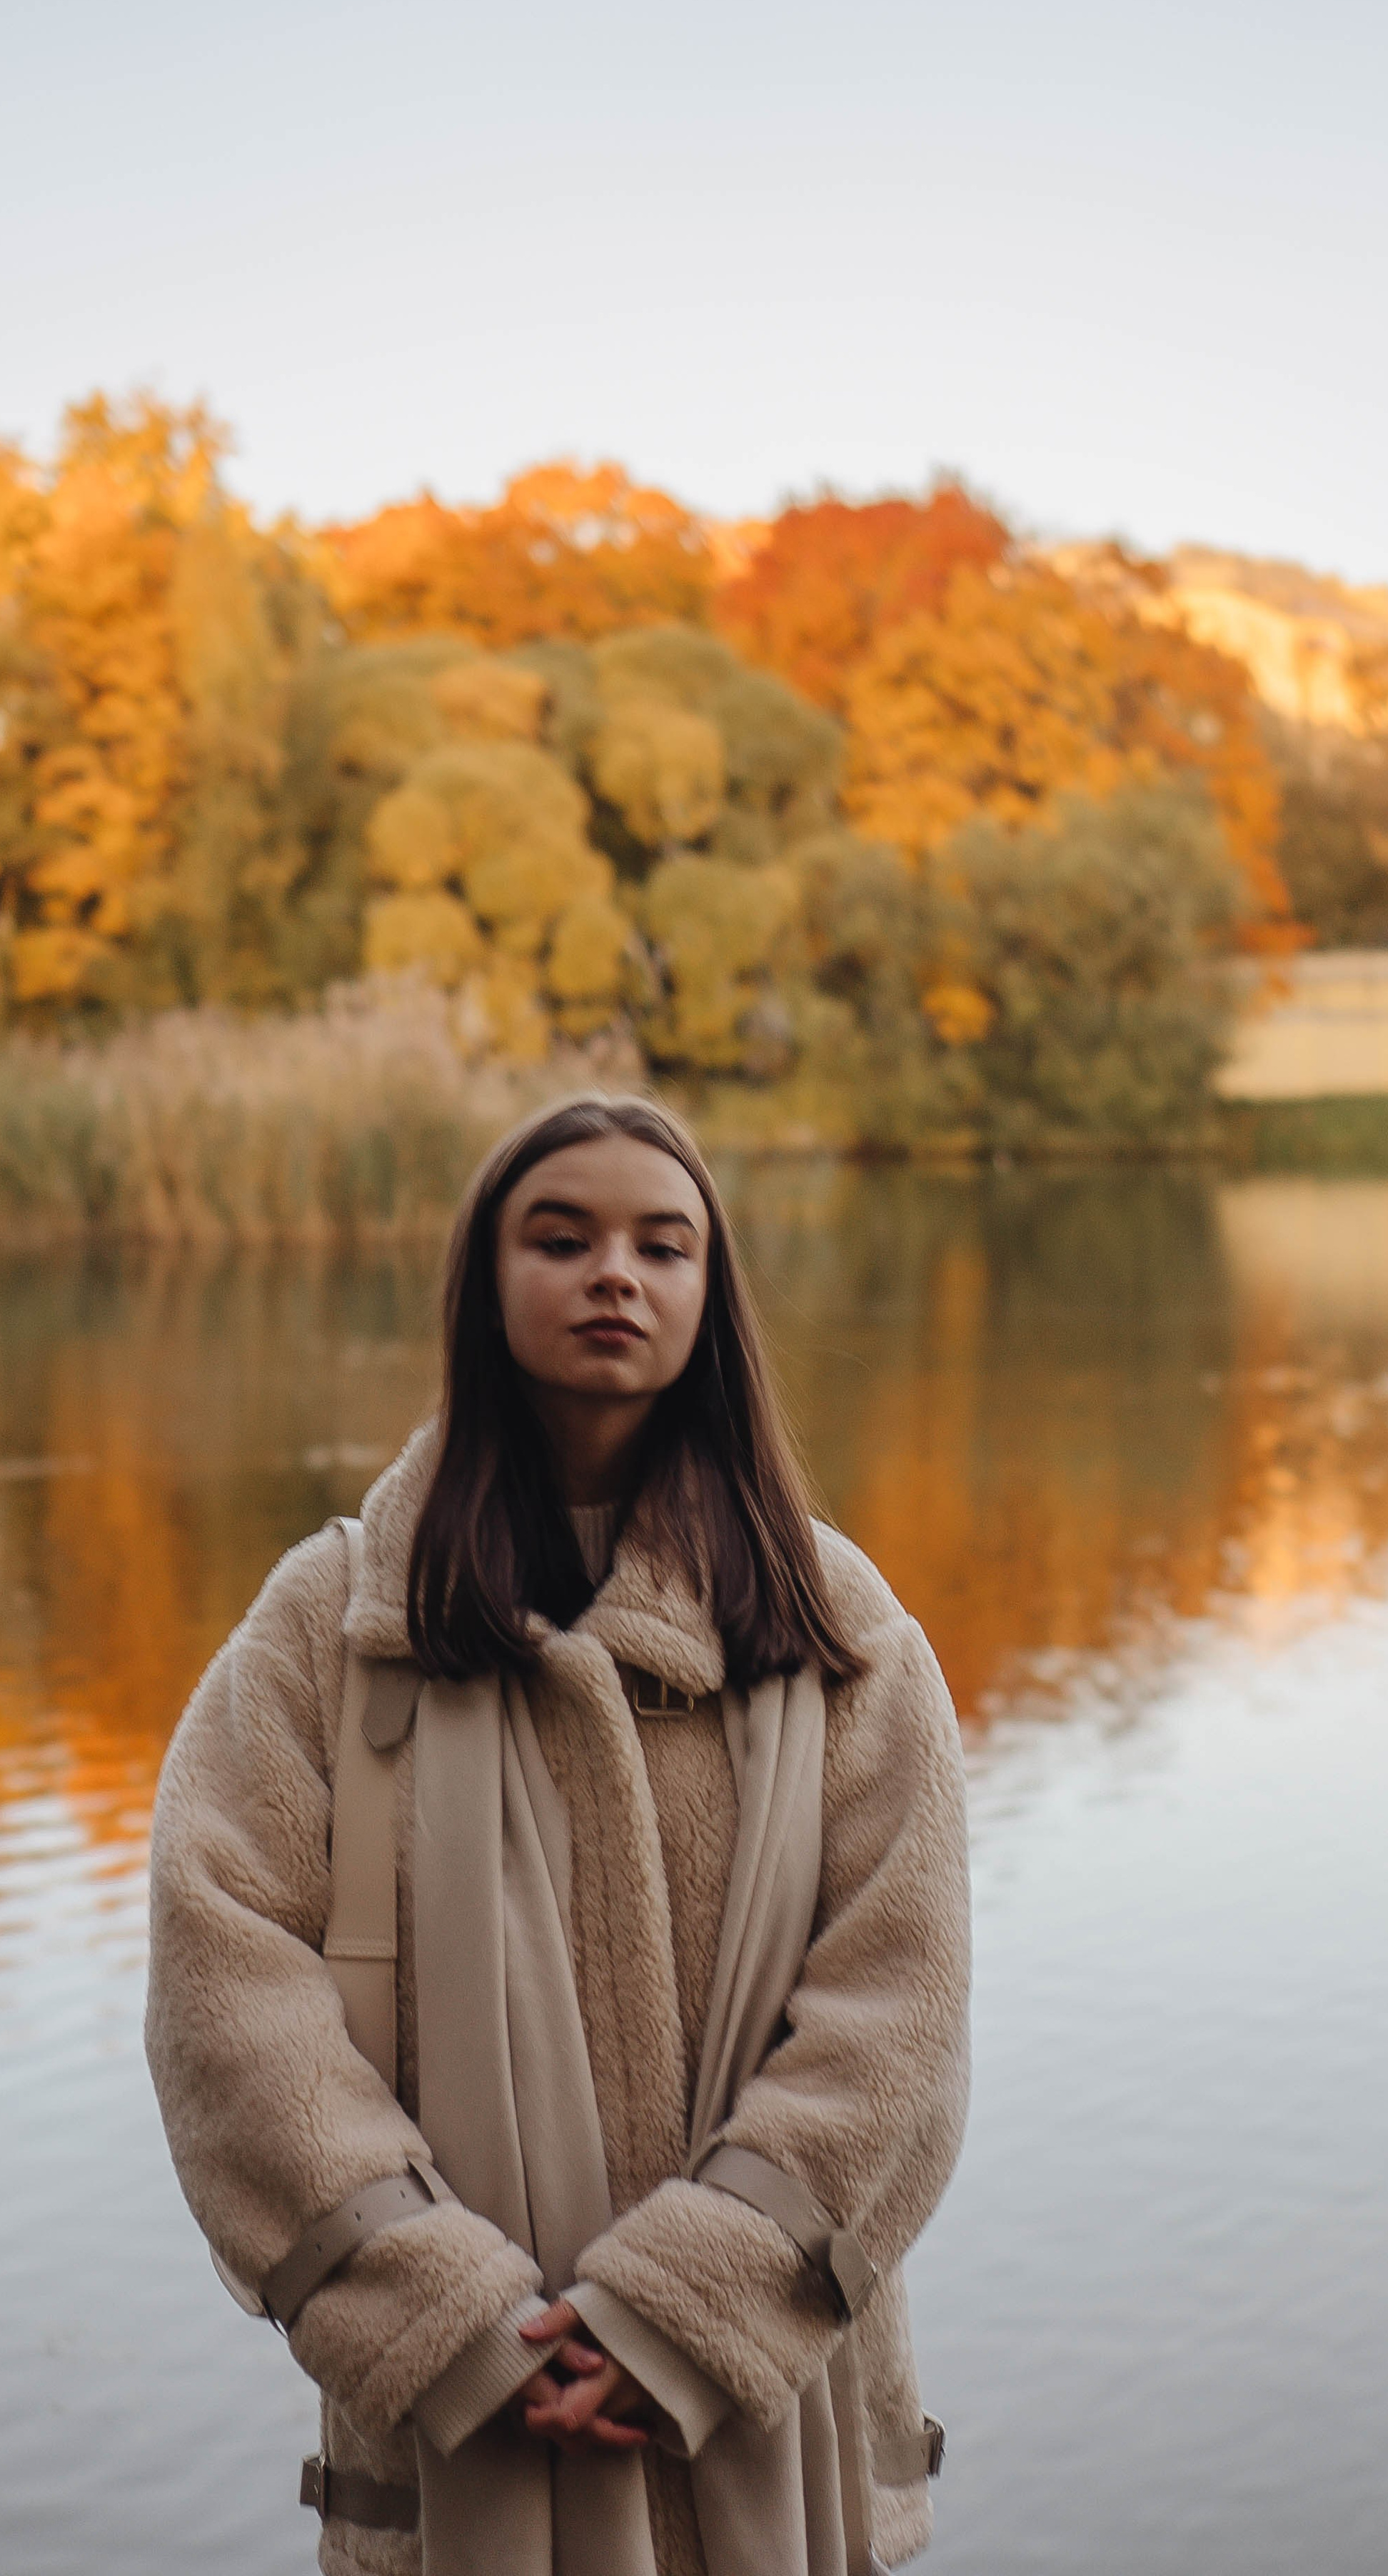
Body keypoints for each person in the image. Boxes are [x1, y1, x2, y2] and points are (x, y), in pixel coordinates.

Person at [146, 1091, 971, 2576]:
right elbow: (227, 1989)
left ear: (708, 1299)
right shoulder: (331, 1628)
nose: (615, 1273)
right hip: (462, 2424)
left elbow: (899, 2012)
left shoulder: (836, 1630)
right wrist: (448, 2318)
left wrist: (686, 2310)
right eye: (562, 1236)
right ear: (482, 1279)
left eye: (663, 1246)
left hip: (762, 2433)